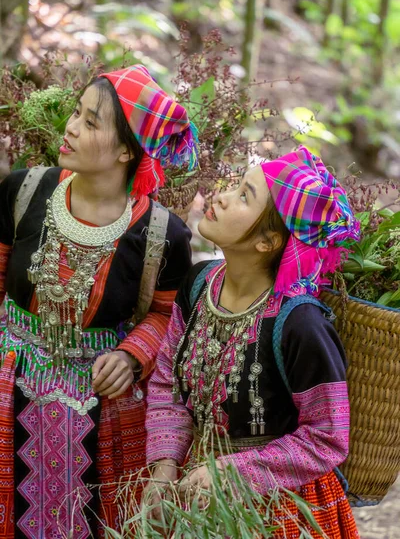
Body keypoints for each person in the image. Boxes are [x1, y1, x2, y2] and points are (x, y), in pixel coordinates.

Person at [0, 64, 197, 539]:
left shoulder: (161, 236)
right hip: (7, 382)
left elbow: (166, 317)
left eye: (91, 122)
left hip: (96, 405)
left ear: (128, 149)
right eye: (75, 112)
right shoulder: (24, 191)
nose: (70, 126)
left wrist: (132, 356)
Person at [144, 146, 361, 538]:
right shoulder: (197, 285)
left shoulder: (300, 325)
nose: (222, 196)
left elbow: (328, 438)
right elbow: (166, 382)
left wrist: (233, 472)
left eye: (245, 196)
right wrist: (164, 465)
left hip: (280, 511)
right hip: (197, 493)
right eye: (236, 185)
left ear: (268, 242)